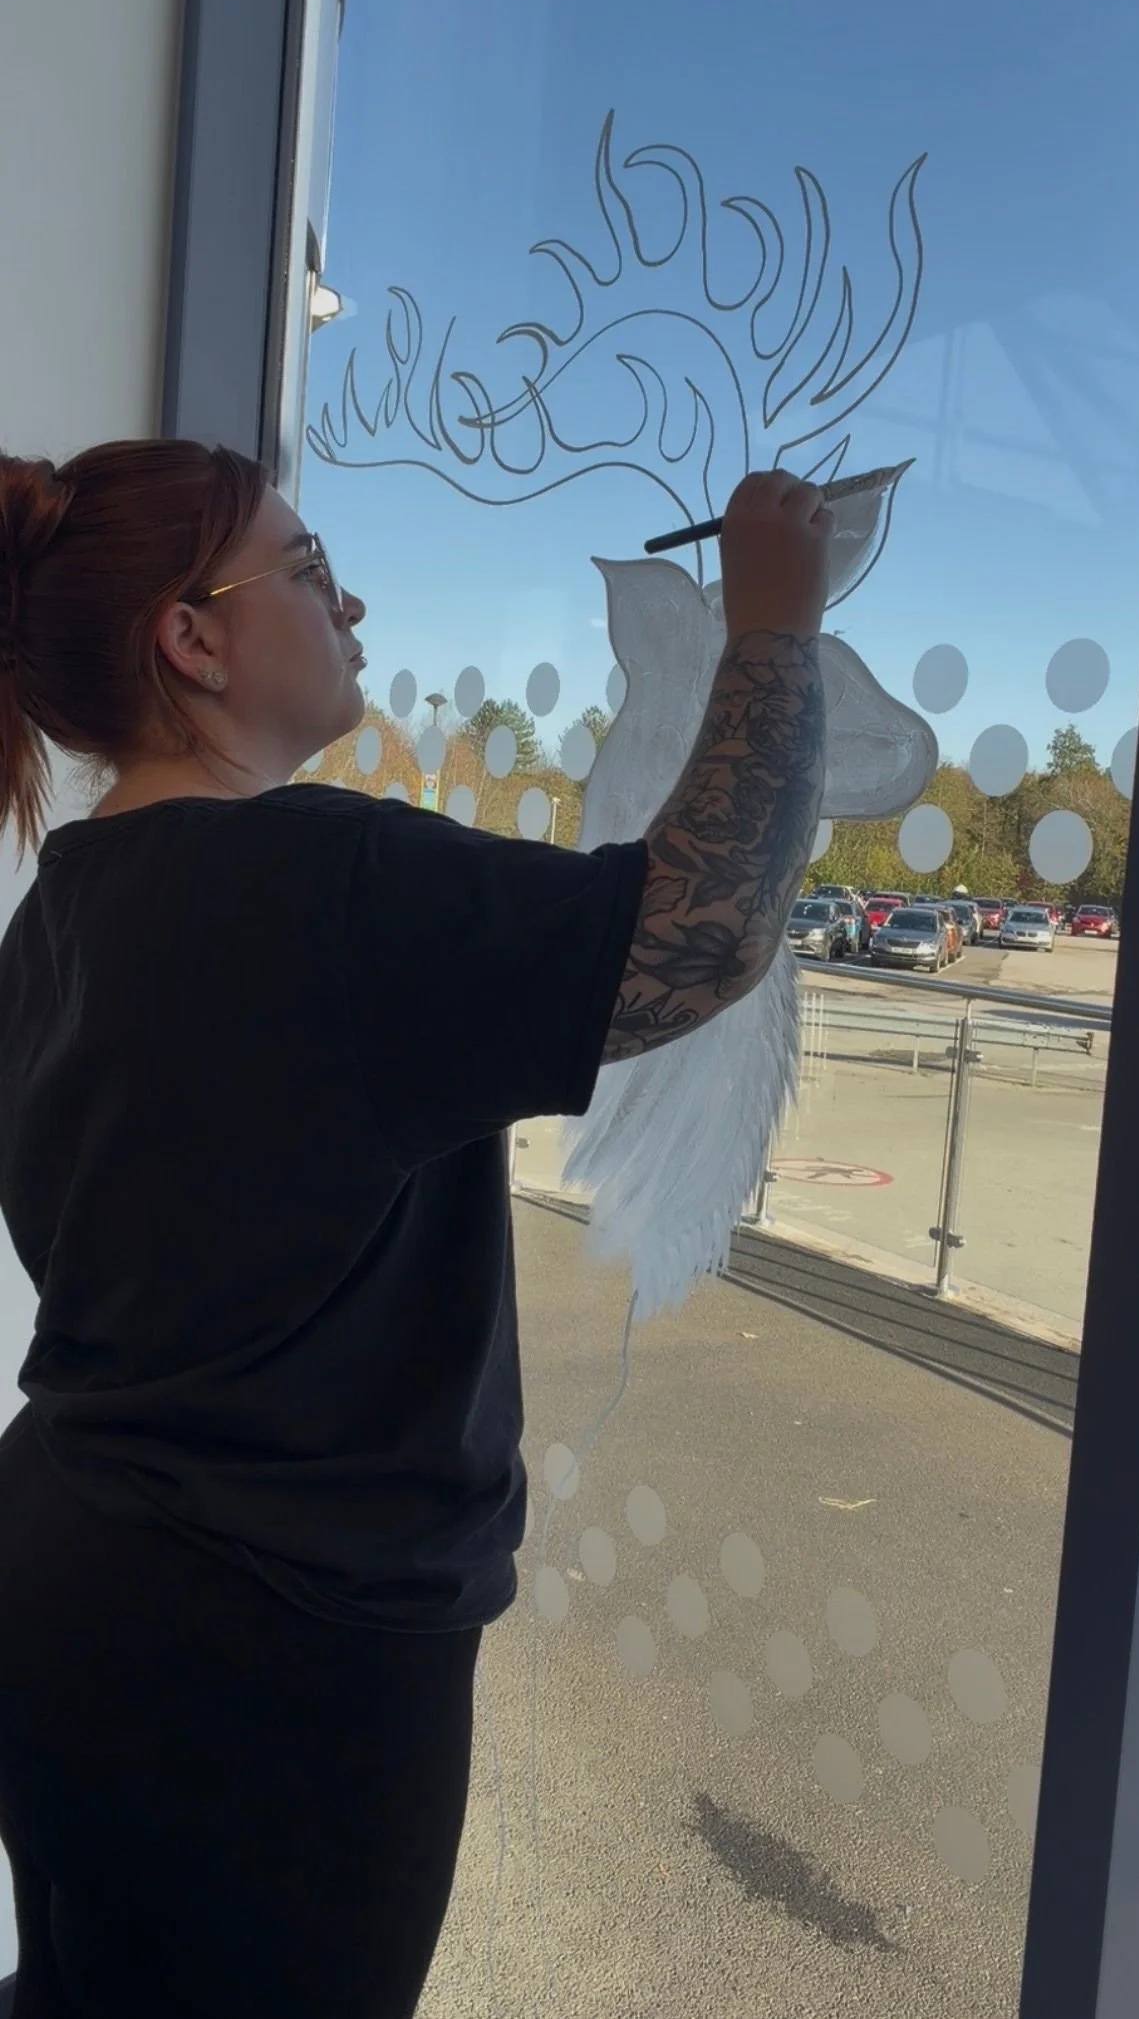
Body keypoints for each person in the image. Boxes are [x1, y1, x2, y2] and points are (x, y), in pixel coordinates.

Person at [0, 437, 833, 2018]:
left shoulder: (62, 914)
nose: (350, 594)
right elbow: (704, 925)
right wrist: (774, 623)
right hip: (276, 1656)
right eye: (307, 571)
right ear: (194, 636)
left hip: (71, 1571)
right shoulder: (323, 883)